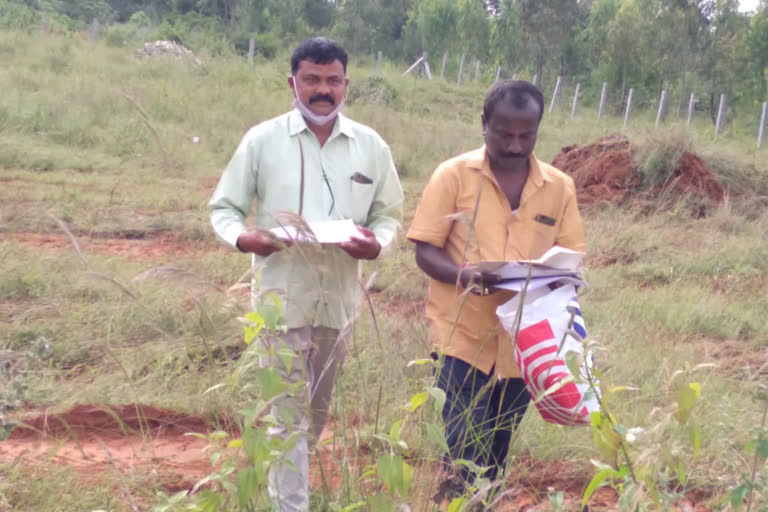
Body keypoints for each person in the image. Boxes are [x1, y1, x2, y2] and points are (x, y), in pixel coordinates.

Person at [208, 37, 404, 512]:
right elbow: (224, 208)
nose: (323, 90)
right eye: (312, 80)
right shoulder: (263, 140)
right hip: (280, 301)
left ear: (346, 84)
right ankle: (288, 505)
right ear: (292, 83)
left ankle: (288, 487)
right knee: (286, 420)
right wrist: (244, 238)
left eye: (332, 80)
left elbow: (388, 214)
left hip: (337, 304)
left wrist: (377, 242)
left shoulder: (370, 146)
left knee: (314, 417)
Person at [406, 80, 586, 499]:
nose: (515, 143)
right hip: (461, 337)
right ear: (483, 124)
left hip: (524, 342)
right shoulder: (453, 175)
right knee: (465, 449)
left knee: (497, 452)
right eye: (504, 132)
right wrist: (465, 276)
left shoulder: (560, 187)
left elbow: (571, 257)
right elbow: (424, 251)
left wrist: (557, 279)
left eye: (527, 134)